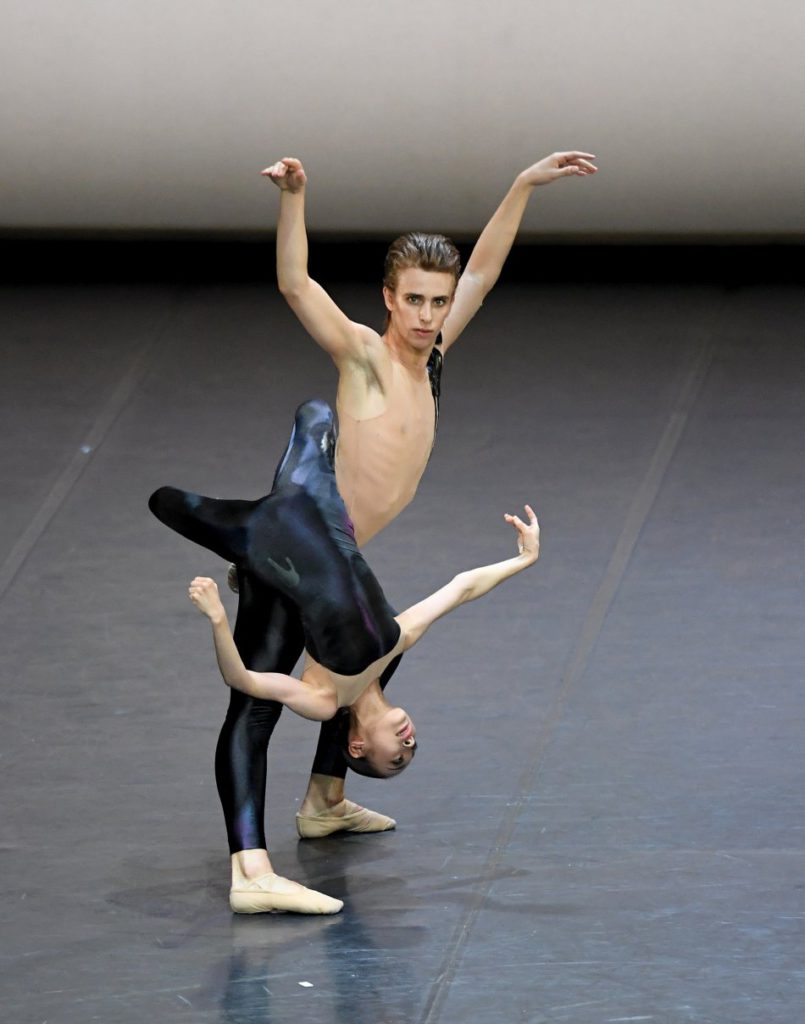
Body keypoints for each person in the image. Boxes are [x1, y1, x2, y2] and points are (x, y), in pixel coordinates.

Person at [211, 151, 595, 913]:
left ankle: (323, 802)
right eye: (413, 300)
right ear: (388, 298)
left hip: (338, 559)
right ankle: (249, 871)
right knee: (253, 707)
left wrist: (519, 185)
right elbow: (295, 284)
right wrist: (294, 199)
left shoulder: (437, 350)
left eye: (438, 302)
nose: (426, 316)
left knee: (372, 658)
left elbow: (483, 270)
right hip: (291, 562)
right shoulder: (364, 356)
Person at [158, 400, 539, 912]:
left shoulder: (321, 698)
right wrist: (523, 560)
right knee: (315, 411)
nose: (409, 741)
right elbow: (461, 588)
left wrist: (218, 619)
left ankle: (252, 872)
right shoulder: (394, 646)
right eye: (414, 747)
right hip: (317, 504)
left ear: (357, 747)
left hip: (261, 535)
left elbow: (246, 680)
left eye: (397, 757)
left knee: (163, 501)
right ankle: (325, 803)